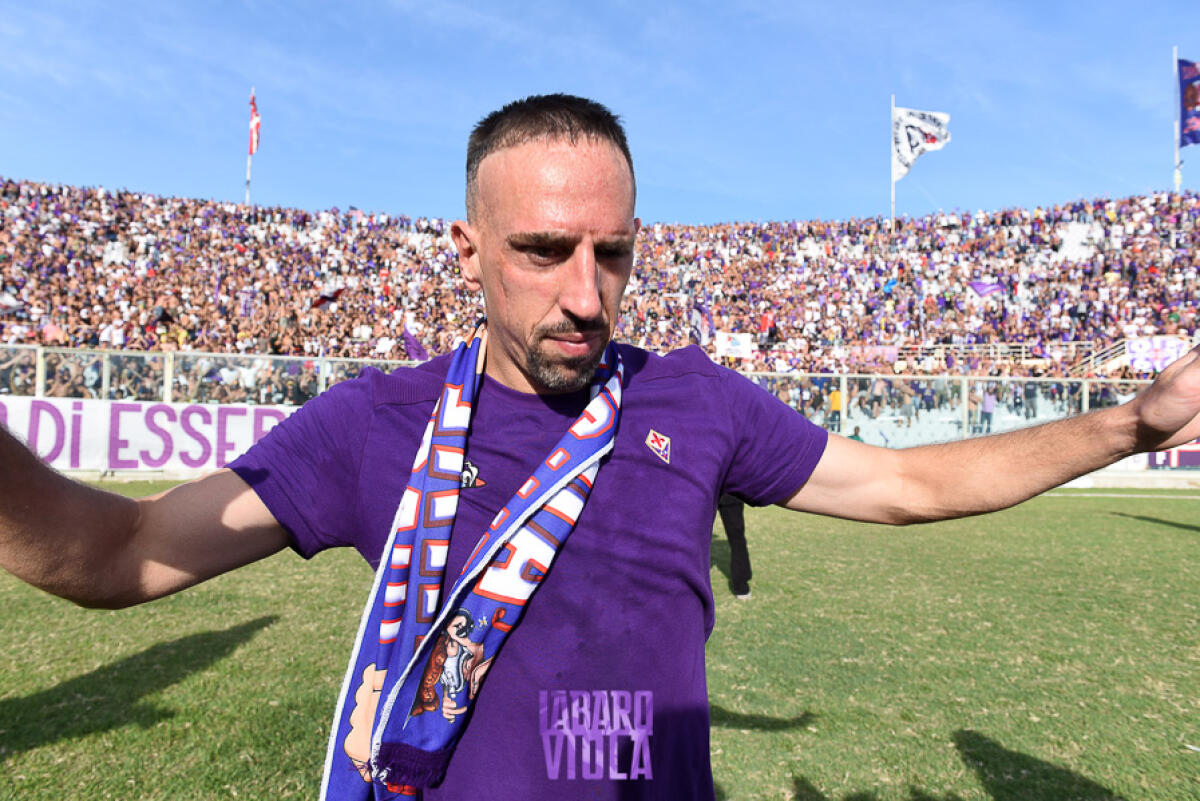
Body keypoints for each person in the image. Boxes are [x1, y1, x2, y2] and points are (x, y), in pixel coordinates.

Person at [4, 94, 1200, 801]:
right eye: (542, 250)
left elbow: (906, 483)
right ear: (468, 250)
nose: (585, 294)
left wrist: (1132, 424)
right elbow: (112, 555)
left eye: (612, 253)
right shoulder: (376, 422)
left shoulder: (700, 400)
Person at [716, 493, 753, 598]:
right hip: (711, 493)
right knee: (738, 540)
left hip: (729, 495)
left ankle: (741, 587)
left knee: (737, 540)